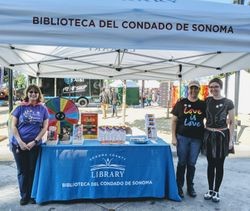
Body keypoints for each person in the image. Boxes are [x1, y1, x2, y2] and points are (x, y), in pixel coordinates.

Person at [10, 84, 49, 205]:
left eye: (36, 92)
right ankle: (24, 196)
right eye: (31, 92)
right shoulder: (20, 108)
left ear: (39, 94)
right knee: (22, 171)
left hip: (34, 145)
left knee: (33, 170)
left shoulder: (43, 109)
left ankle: (32, 195)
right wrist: (20, 142)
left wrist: (35, 141)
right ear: (27, 93)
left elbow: (45, 127)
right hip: (18, 145)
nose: (33, 94)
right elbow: (13, 126)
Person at [171, 80, 206, 198]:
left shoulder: (203, 104)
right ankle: (179, 187)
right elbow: (174, 121)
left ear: (199, 90)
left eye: (196, 88)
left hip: (197, 139)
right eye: (191, 88)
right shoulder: (181, 103)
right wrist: (173, 137)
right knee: (181, 162)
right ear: (188, 89)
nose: (193, 90)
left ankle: (190, 187)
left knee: (192, 163)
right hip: (182, 138)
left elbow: (210, 118)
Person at [202, 78, 234, 203]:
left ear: (220, 87)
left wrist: (231, 140)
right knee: (210, 164)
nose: (214, 89)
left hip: (222, 136)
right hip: (209, 135)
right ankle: (210, 189)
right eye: (211, 87)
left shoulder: (228, 102)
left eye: (216, 86)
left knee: (219, 165)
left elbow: (231, 122)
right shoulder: (207, 101)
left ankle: (217, 191)